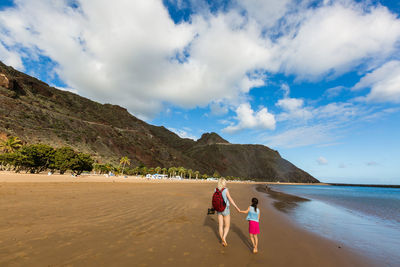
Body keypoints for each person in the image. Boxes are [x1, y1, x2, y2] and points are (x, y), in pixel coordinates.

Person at [215, 178, 240, 247]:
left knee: (220, 226)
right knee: (227, 226)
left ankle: (222, 240)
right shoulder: (225, 190)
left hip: (218, 209)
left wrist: (213, 209)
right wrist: (236, 207)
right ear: (223, 183)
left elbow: (214, 200)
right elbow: (230, 199)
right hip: (225, 209)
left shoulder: (216, 189)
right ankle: (224, 237)